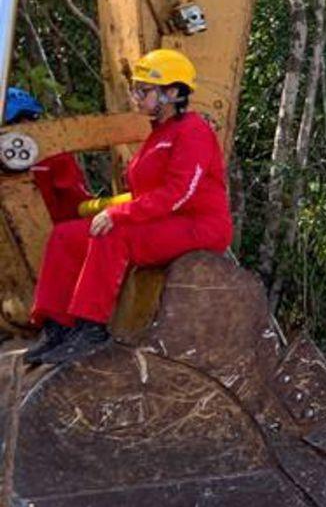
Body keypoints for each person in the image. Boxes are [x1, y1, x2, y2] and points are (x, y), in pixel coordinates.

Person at [24, 49, 232, 366]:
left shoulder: (194, 131)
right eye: (135, 88)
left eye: (144, 90)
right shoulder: (159, 133)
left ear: (173, 92)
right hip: (160, 219)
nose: (136, 96)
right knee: (67, 236)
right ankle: (57, 327)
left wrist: (117, 213)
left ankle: (91, 328)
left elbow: (179, 194)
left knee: (113, 233)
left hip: (198, 226)